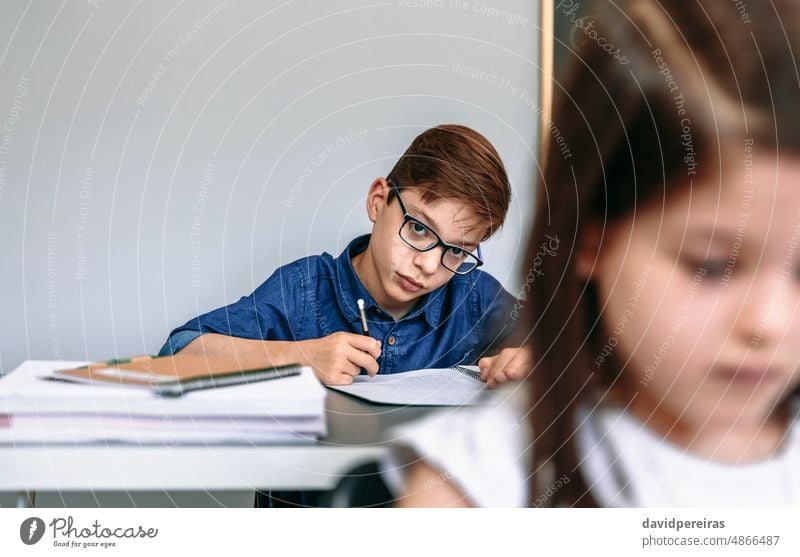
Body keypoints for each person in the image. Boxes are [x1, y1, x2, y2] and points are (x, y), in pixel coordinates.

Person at [385, 0, 800, 507]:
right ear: (591, 239)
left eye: (459, 250)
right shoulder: (482, 481)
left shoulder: (483, 301)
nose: (771, 323)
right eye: (711, 266)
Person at [160, 124, 533, 386]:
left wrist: (533, 359)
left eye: (455, 251)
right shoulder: (303, 290)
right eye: (419, 228)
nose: (429, 264)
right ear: (377, 201)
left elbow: (577, 350)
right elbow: (176, 353)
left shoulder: (474, 297)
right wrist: (300, 358)